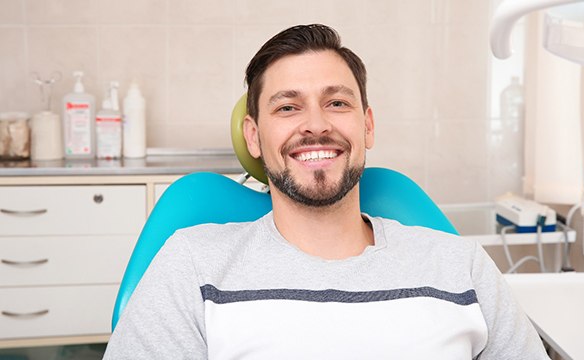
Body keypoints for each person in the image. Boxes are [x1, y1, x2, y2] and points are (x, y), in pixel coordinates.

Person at [103, 24, 549, 359]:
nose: (316, 124)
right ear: (254, 137)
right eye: (288, 107)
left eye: (337, 103)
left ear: (367, 125)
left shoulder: (461, 266)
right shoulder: (192, 266)